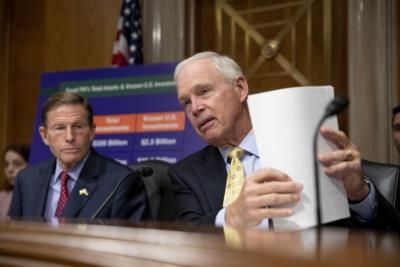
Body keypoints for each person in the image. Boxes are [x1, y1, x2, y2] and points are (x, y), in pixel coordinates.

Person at [168, 51, 400, 230]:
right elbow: (186, 235)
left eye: (205, 91)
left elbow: (386, 234)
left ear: (240, 88)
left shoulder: (307, 145)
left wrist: (358, 194)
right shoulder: (185, 174)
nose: (195, 108)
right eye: (186, 102)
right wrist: (231, 217)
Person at [9, 92, 150, 221]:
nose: (70, 137)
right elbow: (13, 238)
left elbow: (128, 245)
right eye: (60, 128)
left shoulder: (121, 183)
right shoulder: (26, 179)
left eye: (78, 126)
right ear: (44, 135)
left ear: (92, 131)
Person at [0, 144, 30, 216]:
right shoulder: (2, 196)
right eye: (6, 164)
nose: (9, 170)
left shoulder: (38, 197)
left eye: (17, 164)